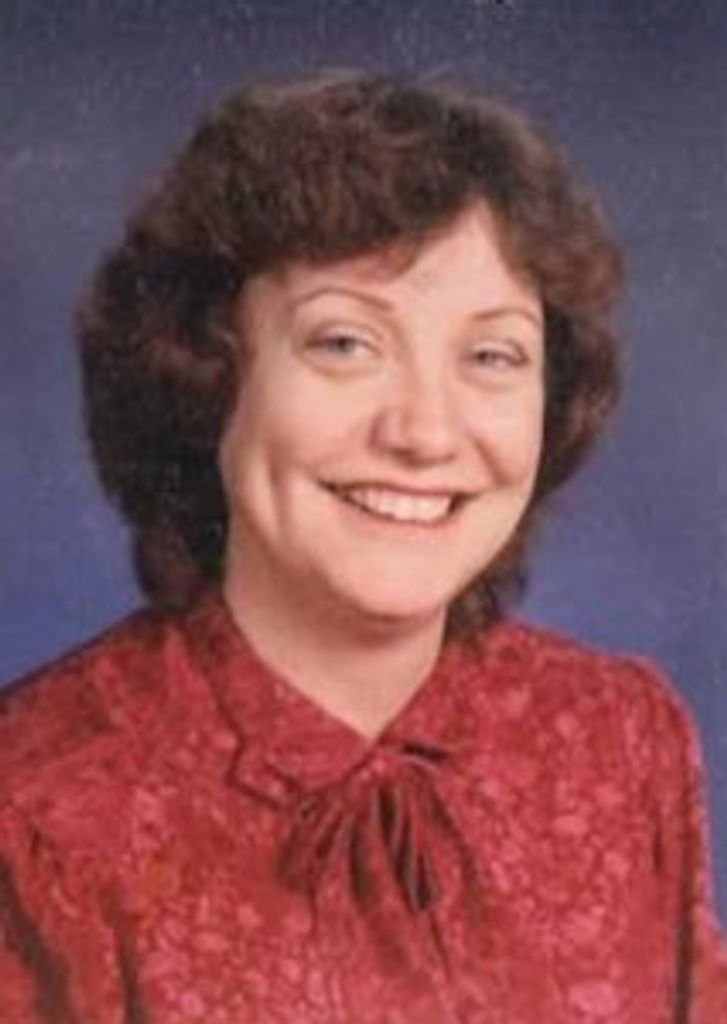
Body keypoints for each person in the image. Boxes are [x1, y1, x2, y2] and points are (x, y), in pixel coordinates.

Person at [0, 71, 725, 1024]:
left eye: (491, 355)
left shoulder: (623, 736)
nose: (424, 432)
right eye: (344, 343)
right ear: (208, 378)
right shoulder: (31, 807)